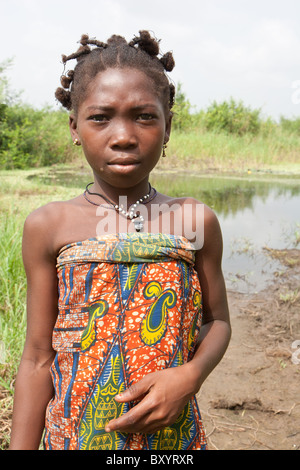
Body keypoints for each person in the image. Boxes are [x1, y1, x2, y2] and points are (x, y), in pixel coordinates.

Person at [9, 31, 231, 450]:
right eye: (100, 117)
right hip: (73, 439)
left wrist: (191, 375)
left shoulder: (193, 219)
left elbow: (217, 322)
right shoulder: (49, 224)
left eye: (145, 116)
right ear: (74, 127)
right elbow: (38, 358)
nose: (124, 135)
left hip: (172, 442)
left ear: (168, 127)